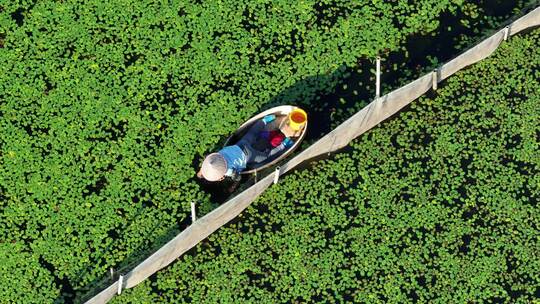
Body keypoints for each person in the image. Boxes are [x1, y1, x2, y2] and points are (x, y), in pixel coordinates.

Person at [197, 111, 306, 183]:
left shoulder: (228, 171)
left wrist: (232, 176)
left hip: (249, 155)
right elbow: (209, 164)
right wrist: (201, 173)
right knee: (252, 132)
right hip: (241, 145)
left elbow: (237, 177)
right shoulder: (217, 155)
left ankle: (284, 144)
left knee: (266, 156)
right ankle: (265, 120)